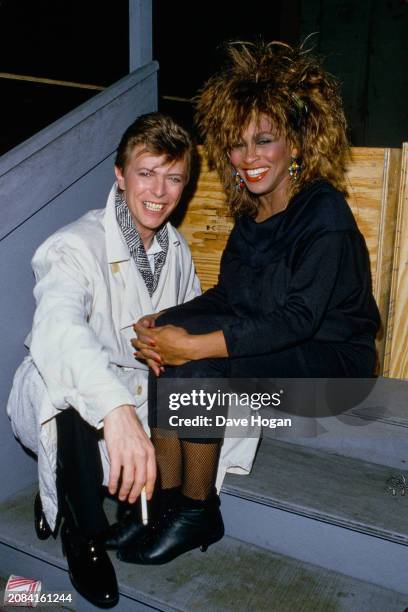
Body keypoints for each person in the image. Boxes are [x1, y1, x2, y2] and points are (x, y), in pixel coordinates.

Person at [123, 41, 381, 565]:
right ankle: (168, 505)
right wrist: (167, 322)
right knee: (169, 351)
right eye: (238, 146)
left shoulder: (324, 215)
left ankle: (200, 510)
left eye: (264, 140)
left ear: (296, 141)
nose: (249, 158)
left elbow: (300, 319)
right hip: (284, 348)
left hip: (335, 369)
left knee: (198, 363)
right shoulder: (252, 216)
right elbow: (230, 297)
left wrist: (194, 345)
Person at [6, 112, 201, 608]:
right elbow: (59, 330)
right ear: (119, 173)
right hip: (80, 403)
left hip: (139, 404)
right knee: (62, 383)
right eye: (146, 172)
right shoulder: (74, 244)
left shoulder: (177, 250)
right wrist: (113, 410)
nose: (160, 190)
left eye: (174, 177)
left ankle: (77, 492)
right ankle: (84, 533)